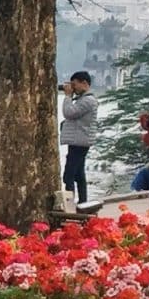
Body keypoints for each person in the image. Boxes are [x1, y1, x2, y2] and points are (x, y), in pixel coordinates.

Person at [59, 72, 97, 210]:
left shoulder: (88, 100)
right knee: (79, 174)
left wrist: (68, 96)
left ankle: (70, 206)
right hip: (78, 141)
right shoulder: (83, 99)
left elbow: (69, 113)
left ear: (85, 83)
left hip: (80, 142)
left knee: (68, 175)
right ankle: (83, 203)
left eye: (75, 84)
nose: (73, 88)